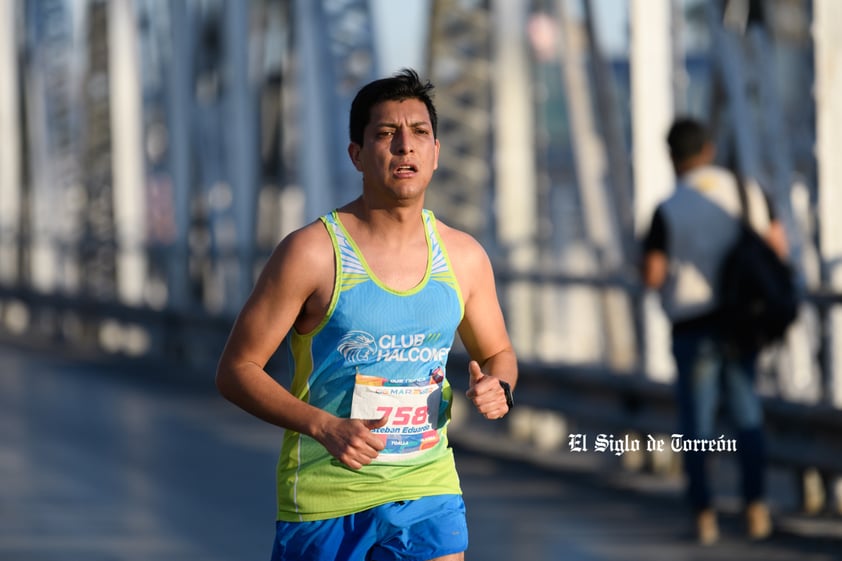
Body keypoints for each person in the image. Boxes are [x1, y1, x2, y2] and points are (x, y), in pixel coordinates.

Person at [216, 68, 517, 561]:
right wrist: (322, 426)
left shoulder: (464, 257)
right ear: (356, 154)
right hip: (326, 500)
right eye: (386, 134)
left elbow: (500, 354)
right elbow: (235, 371)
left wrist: (499, 387)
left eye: (420, 133)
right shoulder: (311, 254)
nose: (405, 147)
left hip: (429, 492)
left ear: (436, 154)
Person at [641, 117, 787, 545]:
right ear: (708, 150)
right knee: (747, 415)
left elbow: (652, 274)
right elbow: (777, 248)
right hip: (742, 323)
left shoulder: (667, 209)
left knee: (697, 424)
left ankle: (704, 515)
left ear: (672, 157)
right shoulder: (747, 192)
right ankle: (756, 508)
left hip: (692, 325)